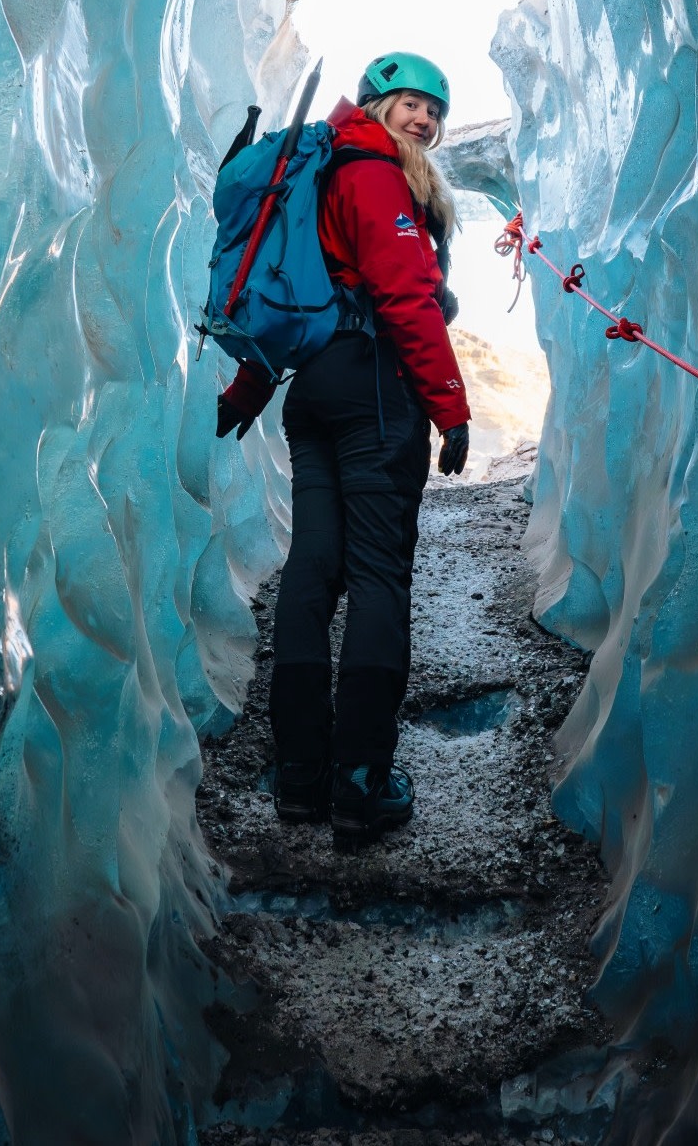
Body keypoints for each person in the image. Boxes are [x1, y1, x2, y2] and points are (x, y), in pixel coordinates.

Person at [214, 51, 471, 844]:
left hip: (315, 393)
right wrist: (451, 408)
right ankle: (361, 784)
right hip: (376, 391)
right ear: (376, 104)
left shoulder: (320, 172)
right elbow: (401, 294)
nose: (423, 119)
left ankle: (300, 779)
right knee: (379, 577)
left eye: (435, 110)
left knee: (312, 570)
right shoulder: (373, 172)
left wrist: (247, 392)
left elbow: (300, 301)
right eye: (410, 103)